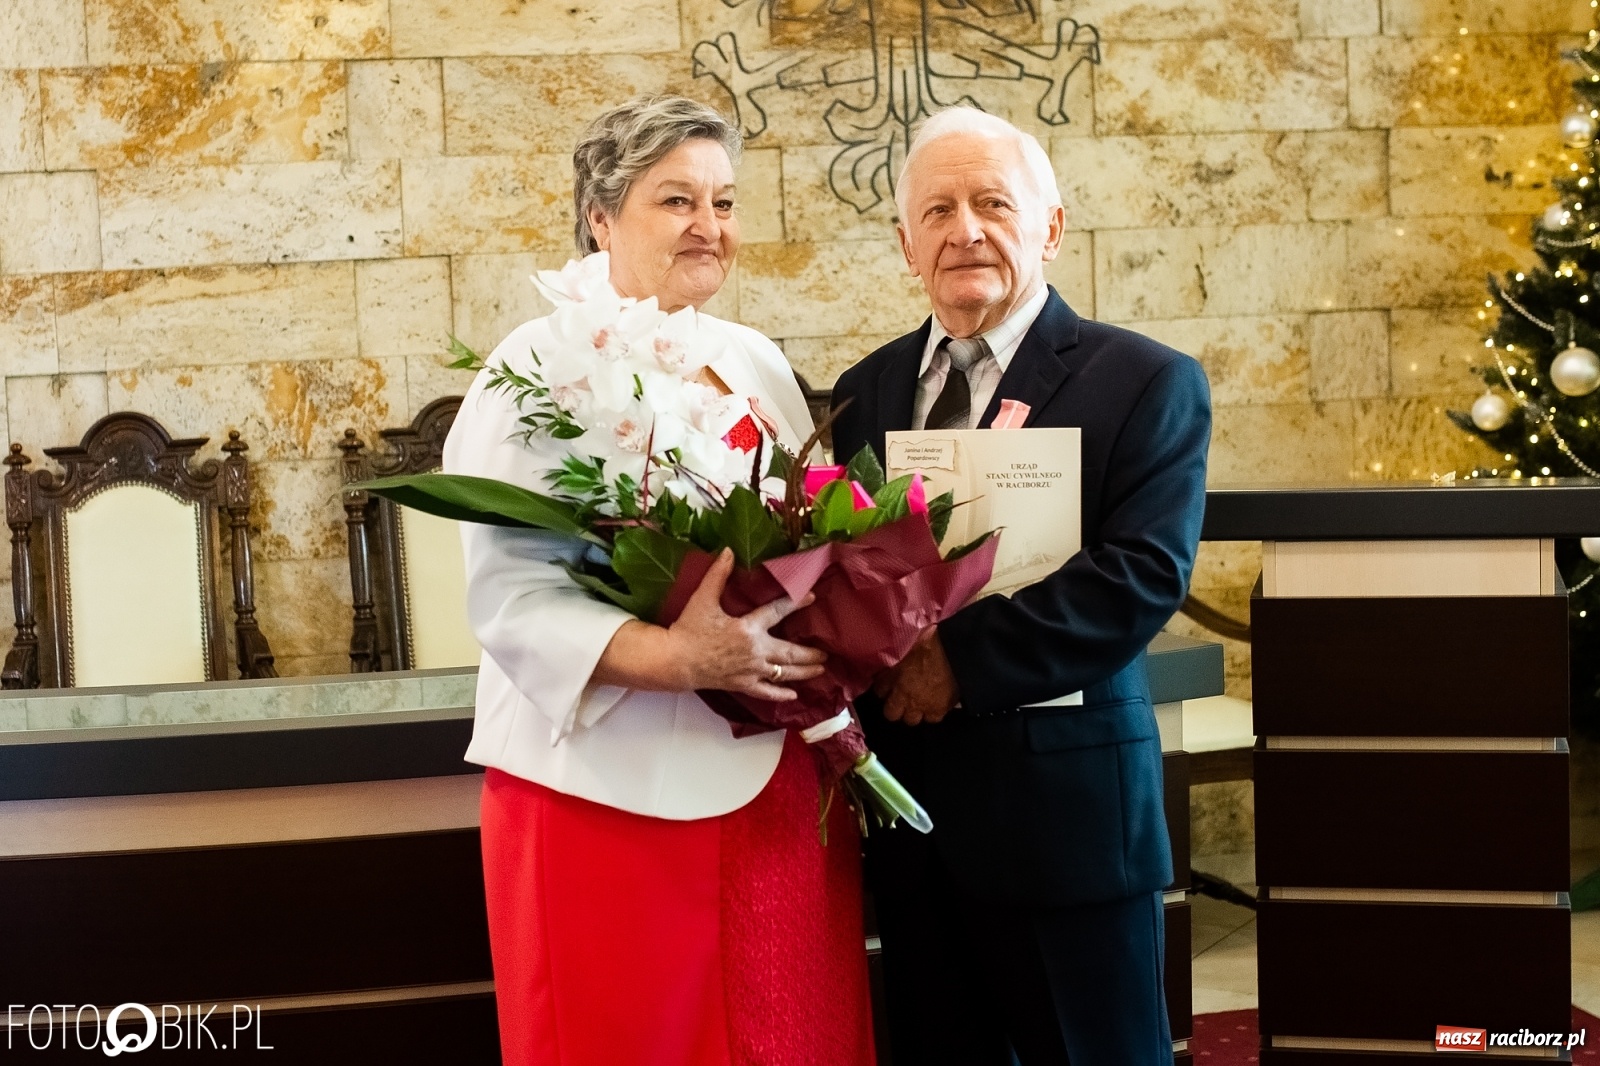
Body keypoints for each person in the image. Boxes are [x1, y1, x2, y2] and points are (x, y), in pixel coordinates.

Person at [444, 95, 875, 1066]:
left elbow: (806, 535)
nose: (708, 226)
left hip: (775, 791)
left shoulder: (755, 360)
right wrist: (674, 656)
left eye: (723, 203)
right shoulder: (535, 364)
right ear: (599, 217)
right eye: (675, 199)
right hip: (608, 795)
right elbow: (507, 594)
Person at [830, 106, 1211, 1066]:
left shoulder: (1144, 381)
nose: (966, 230)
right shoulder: (862, 394)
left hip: (1068, 829)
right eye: (939, 209)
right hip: (912, 832)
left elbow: (1140, 577)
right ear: (903, 242)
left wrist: (955, 661)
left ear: (1051, 226)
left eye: (995, 203)